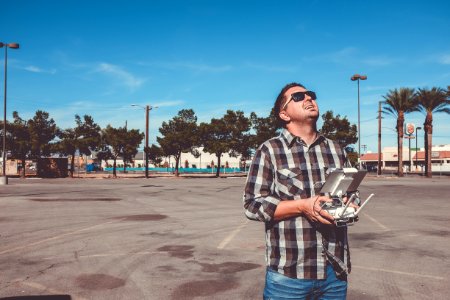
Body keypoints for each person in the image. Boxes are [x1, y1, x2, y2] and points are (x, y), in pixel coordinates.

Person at [243, 82, 353, 299]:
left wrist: (351, 204)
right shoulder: (269, 151)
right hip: (288, 276)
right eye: (298, 96)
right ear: (284, 114)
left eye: (310, 94)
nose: (308, 98)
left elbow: (349, 193)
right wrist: (302, 206)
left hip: (334, 273)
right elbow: (252, 205)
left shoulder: (336, 150)